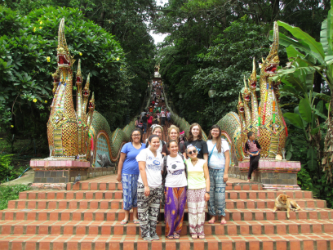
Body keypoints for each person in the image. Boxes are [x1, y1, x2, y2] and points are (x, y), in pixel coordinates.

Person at [136, 135, 164, 241]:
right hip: (145, 186)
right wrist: (146, 185)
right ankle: (145, 233)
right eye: (154, 142)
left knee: (154, 211)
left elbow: (160, 170)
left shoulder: (160, 155)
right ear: (149, 142)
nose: (156, 144)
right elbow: (141, 168)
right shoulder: (144, 152)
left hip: (157, 186)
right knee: (143, 210)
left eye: (158, 142)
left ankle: (153, 232)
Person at [117, 129, 146, 225]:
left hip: (140, 175)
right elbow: (121, 160)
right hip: (127, 173)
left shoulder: (145, 147)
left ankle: (134, 216)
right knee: (127, 194)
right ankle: (126, 216)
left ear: (141, 136)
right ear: (131, 136)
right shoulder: (127, 146)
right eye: (134, 135)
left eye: (138, 134)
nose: (136, 136)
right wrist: (119, 173)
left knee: (136, 195)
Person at [162, 140, 187, 239]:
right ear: (168, 149)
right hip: (170, 186)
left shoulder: (182, 157)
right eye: (172, 147)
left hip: (182, 185)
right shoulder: (165, 159)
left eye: (176, 146)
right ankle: (169, 232)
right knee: (172, 209)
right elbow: (162, 173)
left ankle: (177, 230)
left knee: (180, 209)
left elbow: (187, 169)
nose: (174, 148)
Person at [206, 125, 230, 224]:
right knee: (210, 194)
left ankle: (222, 215)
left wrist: (226, 173)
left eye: (216, 131)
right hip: (210, 170)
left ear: (219, 132)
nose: (214, 132)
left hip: (220, 170)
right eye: (213, 130)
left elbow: (227, 158)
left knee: (220, 194)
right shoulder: (207, 143)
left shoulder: (224, 142)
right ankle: (212, 215)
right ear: (210, 131)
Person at [186, 144, 210, 239]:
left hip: (202, 188)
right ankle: (193, 230)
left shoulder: (203, 162)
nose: (193, 153)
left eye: (194, 151)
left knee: (201, 211)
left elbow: (207, 178)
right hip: (191, 189)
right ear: (187, 154)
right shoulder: (186, 162)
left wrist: (207, 192)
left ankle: (200, 230)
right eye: (190, 152)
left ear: (197, 152)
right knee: (192, 211)